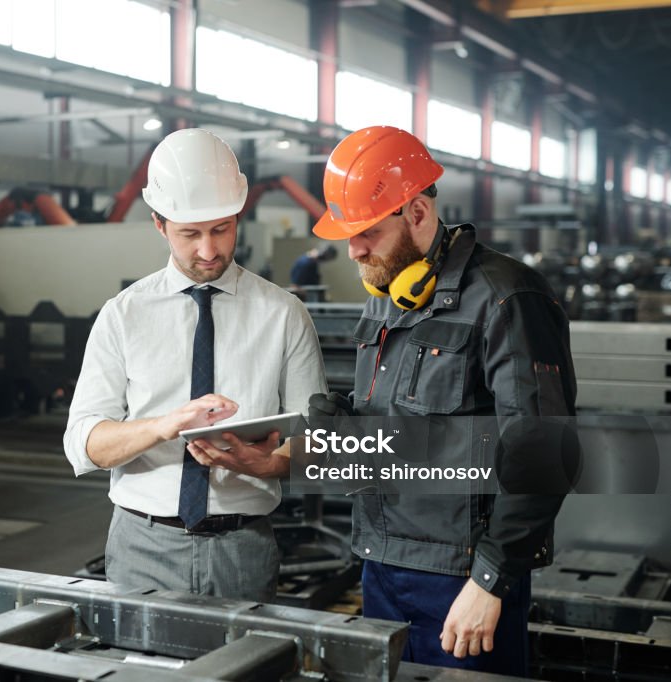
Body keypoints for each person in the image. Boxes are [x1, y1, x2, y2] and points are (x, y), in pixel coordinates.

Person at [309, 126, 576, 676]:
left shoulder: (506, 298)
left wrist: (491, 580)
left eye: (366, 232)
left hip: (461, 578)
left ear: (415, 214)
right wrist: (344, 433)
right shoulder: (387, 298)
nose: (353, 249)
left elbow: (543, 451)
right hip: (381, 564)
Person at [63, 128, 326, 602]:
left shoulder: (284, 314)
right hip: (142, 545)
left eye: (222, 229)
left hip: (244, 548)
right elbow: (85, 445)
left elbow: (318, 446)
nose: (208, 251)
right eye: (190, 234)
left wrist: (266, 463)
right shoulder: (124, 315)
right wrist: (165, 426)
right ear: (159, 224)